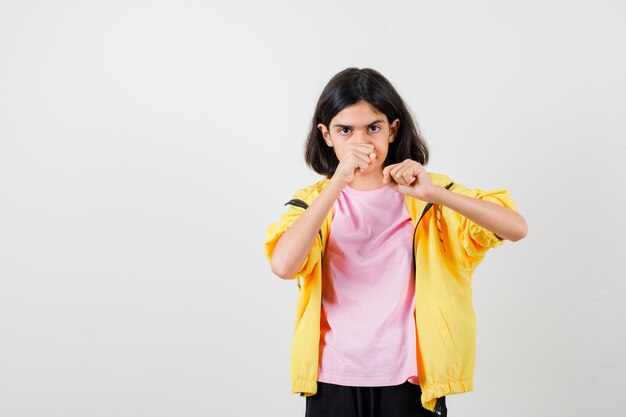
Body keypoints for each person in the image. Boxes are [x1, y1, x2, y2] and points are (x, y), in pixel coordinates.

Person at [264, 67, 528, 417]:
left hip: (411, 383)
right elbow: (284, 265)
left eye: (373, 128)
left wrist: (434, 192)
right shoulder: (313, 202)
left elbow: (516, 228)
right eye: (345, 130)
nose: (361, 143)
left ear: (393, 129)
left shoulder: (429, 197)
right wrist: (336, 185)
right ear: (327, 135)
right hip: (332, 378)